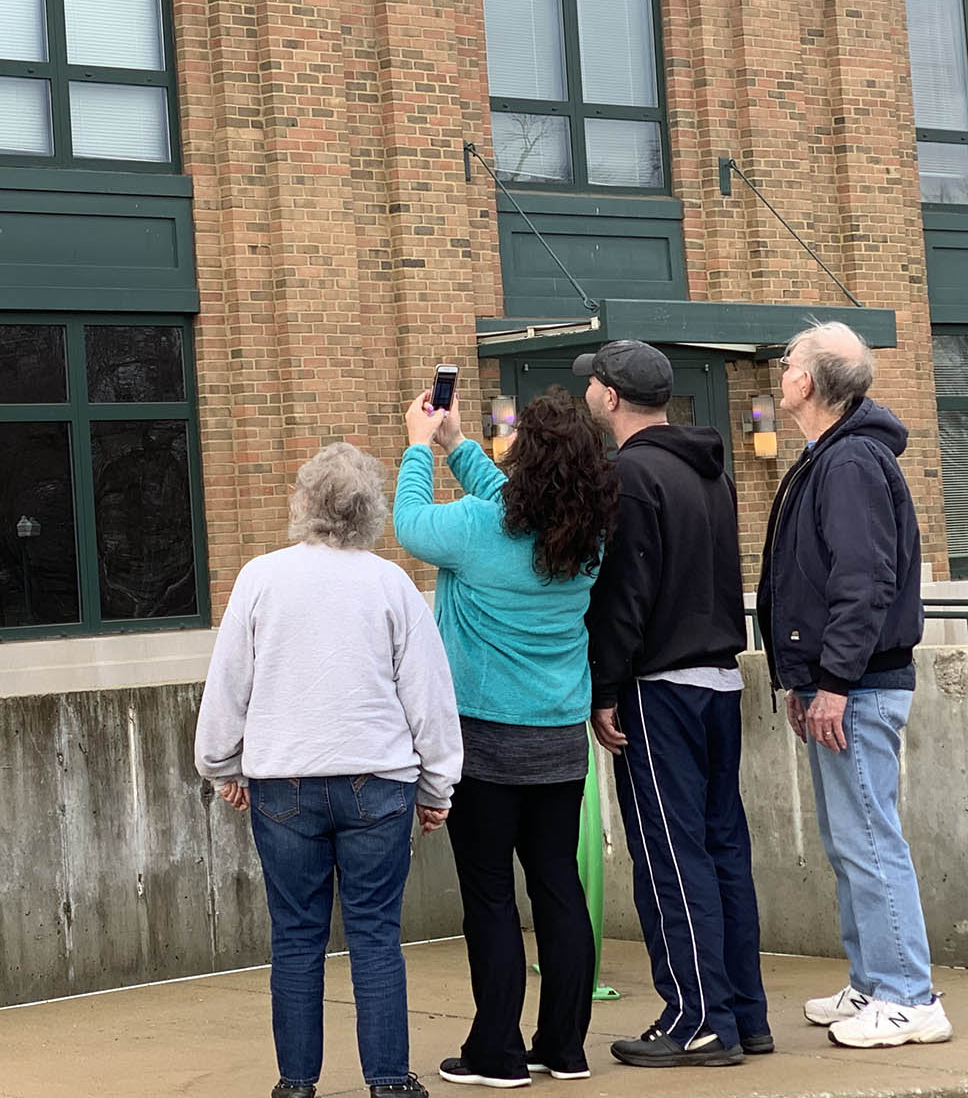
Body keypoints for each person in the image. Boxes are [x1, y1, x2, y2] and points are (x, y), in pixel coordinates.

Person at [196, 441, 461, 1098]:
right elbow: (427, 693)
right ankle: (390, 1082)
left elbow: (229, 685)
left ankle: (296, 1083)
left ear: (305, 502)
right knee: (375, 934)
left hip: (282, 780)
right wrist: (437, 786)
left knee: (295, 935)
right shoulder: (391, 583)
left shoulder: (260, 578)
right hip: (379, 781)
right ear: (369, 510)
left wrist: (222, 767)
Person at [393, 388, 614, 1088]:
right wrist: (458, 444)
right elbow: (516, 504)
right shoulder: (588, 533)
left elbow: (409, 522)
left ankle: (497, 1054)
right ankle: (564, 1048)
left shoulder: (477, 529)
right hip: (558, 740)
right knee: (558, 888)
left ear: (523, 457)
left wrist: (418, 447)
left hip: (482, 741)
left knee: (490, 896)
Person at [579, 339, 771, 1068]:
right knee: (724, 851)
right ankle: (742, 1014)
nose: (589, 393)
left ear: (611, 397)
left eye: (593, 384)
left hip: (660, 689)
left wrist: (603, 688)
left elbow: (627, 593)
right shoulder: (710, 468)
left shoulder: (631, 472)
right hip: (720, 677)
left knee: (670, 854)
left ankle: (696, 1018)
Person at [759, 322, 951, 1049]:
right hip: (844, 683)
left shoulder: (850, 464)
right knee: (852, 840)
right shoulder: (833, 458)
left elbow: (863, 582)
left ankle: (907, 995)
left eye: (788, 363)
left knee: (870, 839)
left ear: (810, 382)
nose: (782, 372)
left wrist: (833, 681)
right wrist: (809, 679)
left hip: (861, 686)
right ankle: (875, 982)